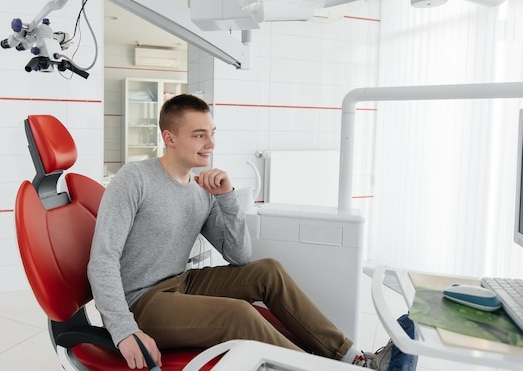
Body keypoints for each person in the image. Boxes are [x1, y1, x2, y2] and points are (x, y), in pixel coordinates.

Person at [88, 94, 389, 369]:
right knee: (239, 314)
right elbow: (102, 259)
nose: (211, 144)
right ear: (170, 138)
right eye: (199, 135)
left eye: (212, 133)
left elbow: (239, 255)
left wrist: (226, 197)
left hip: (182, 283)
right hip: (142, 302)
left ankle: (353, 358)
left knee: (267, 271)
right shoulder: (135, 178)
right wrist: (124, 329)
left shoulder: (201, 189)